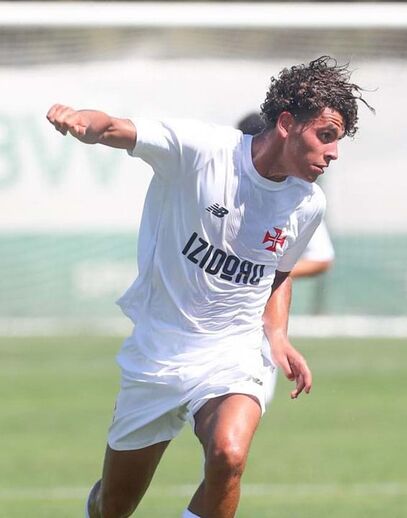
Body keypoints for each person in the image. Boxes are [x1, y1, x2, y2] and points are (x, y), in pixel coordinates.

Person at [47, 56, 367, 518]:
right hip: (159, 351)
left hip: (234, 350)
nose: (334, 153)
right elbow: (116, 127)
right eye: (327, 135)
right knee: (113, 506)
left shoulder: (305, 203)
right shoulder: (202, 150)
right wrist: (85, 123)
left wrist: (277, 335)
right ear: (285, 124)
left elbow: (277, 273)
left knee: (229, 454)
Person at [236, 112, 337, 407]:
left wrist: (266, 270)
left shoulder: (299, 201)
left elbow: (321, 258)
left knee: (229, 441)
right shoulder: (220, 186)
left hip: (254, 330)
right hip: (190, 330)